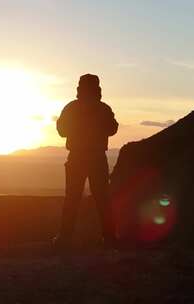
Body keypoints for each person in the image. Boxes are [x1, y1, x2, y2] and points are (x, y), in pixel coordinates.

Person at [54, 74, 119, 250]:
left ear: (79, 88)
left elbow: (61, 130)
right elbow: (113, 129)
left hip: (77, 157)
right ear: (97, 88)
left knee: (72, 198)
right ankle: (110, 237)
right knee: (102, 199)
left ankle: (65, 238)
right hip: (97, 158)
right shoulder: (103, 108)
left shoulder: (72, 108)